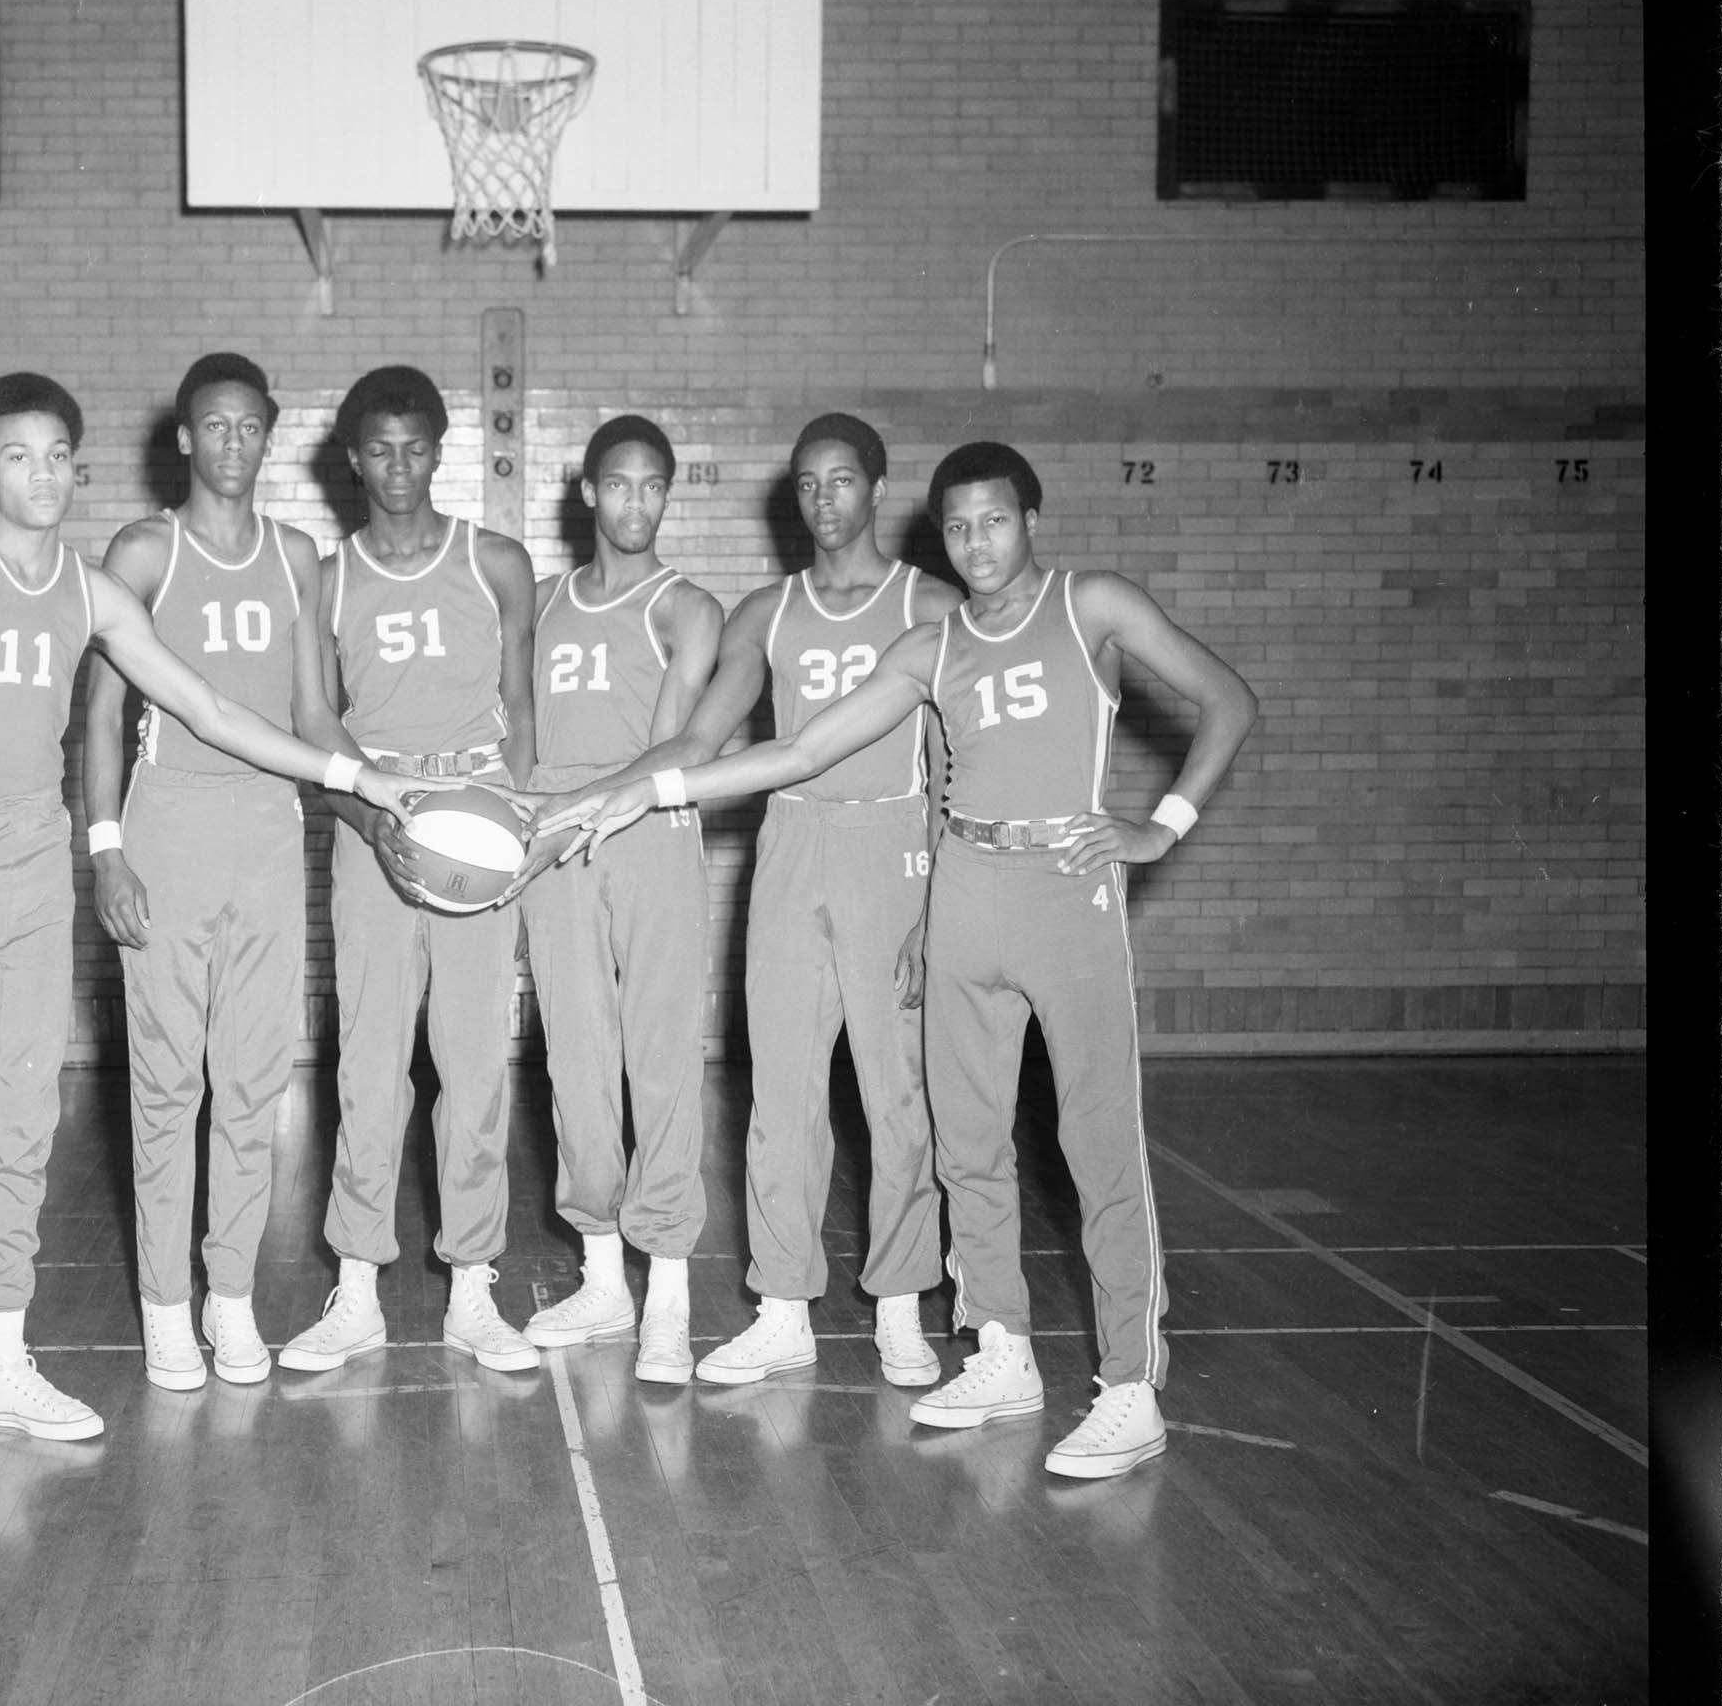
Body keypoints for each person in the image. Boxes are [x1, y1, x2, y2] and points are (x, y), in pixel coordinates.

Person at [543, 439, 1258, 1479]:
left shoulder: (1084, 603)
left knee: (1086, 1140)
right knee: (960, 1142)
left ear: (1028, 521)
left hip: (1049, 886)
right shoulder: (927, 644)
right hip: (941, 880)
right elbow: (796, 751)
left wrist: (1162, 825)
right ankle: (994, 1347)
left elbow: (1228, 699)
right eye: (959, 526)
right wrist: (641, 792)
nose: (977, 542)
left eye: (994, 521)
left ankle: (1123, 1384)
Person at [0, 371, 414, 1485]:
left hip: (31, 865)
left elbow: (210, 710)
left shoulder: (92, 593)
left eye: (59, 455)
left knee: (18, 1128)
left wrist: (359, 777)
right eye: (19, 456)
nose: (42, 475)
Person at [540, 415, 959, 1388]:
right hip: (790, 842)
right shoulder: (766, 612)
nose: (823, 499)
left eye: (841, 480)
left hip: (891, 846)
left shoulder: (931, 604)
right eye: (807, 483)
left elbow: (952, 764)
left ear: (878, 487)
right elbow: (698, 739)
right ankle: (781, 1308)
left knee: (895, 1095)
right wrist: (608, 796)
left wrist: (939, 895)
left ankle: (901, 1308)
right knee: (779, 1095)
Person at [82, 352, 362, 1393]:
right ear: (184, 437)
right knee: (167, 1084)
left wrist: (374, 792)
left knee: (253, 1082)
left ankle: (229, 1295)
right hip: (168, 823)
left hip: (268, 828)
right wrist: (105, 848)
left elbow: (312, 712)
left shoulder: (296, 555)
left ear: (268, 438)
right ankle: (165, 1306)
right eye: (216, 425)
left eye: (250, 427)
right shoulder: (145, 549)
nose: (233, 443)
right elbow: (100, 717)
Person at [278, 365, 544, 1376]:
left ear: (440, 452)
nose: (398, 467)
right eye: (379, 450)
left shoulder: (497, 563)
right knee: (369, 1061)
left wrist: (512, 832)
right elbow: (314, 726)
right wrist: (367, 814)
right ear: (351, 459)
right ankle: (356, 1289)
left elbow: (522, 713)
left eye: (416, 448)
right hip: (373, 826)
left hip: (476, 823)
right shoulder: (326, 578)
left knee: (473, 1062)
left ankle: (472, 1286)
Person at [508, 417, 724, 1384]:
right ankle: (603, 1280)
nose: (637, 503)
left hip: (647, 835)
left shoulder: (687, 608)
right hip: (557, 849)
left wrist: (579, 805)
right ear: (588, 491)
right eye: (620, 484)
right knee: (576, 1060)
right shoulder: (546, 603)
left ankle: (668, 1295)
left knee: (662, 1060)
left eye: (654, 487)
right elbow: (516, 727)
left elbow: (679, 743)